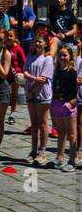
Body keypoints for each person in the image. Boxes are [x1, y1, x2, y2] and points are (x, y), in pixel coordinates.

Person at [45, 44, 78, 171]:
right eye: (60, 55)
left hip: (68, 105)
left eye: (65, 55)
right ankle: (59, 158)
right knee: (61, 134)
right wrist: (53, 102)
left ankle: (72, 161)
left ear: (70, 57)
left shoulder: (72, 72)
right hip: (57, 104)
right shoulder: (56, 71)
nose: (62, 57)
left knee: (71, 134)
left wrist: (71, 104)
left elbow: (76, 92)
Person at [24, 34, 54, 166]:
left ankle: (42, 152)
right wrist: (30, 83)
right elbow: (24, 71)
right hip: (30, 95)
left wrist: (31, 82)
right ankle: (33, 150)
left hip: (42, 95)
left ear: (46, 44)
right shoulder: (30, 57)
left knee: (42, 123)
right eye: (36, 42)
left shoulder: (47, 59)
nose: (37, 44)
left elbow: (43, 79)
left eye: (40, 42)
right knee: (34, 123)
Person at [0, 30, 13, 160]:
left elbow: (5, 73)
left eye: (1, 39)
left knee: (0, 121)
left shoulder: (6, 54)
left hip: (1, 86)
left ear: (5, 41)